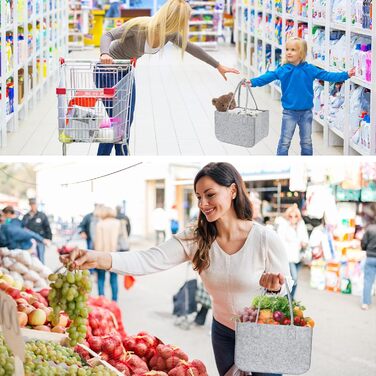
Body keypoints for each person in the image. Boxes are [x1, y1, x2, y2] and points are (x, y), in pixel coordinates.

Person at [61, 162, 292, 376]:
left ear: (232, 191)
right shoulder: (196, 237)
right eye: (199, 197)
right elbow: (148, 259)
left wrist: (275, 288)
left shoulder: (265, 239)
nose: (203, 204)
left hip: (265, 335)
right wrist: (97, 258)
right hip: (223, 334)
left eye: (210, 195)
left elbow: (288, 292)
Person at [97, 0, 239, 156]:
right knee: (117, 121)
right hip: (107, 71)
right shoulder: (140, 27)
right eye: (185, 19)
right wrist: (105, 54)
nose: (187, 23)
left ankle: (120, 156)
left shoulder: (169, 34)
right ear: (175, 19)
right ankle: (113, 157)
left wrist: (218, 65)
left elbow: (191, 48)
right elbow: (108, 34)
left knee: (125, 121)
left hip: (126, 73)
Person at [247, 36, 355, 155]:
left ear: (301, 53)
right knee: (284, 141)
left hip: (306, 112)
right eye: (287, 49)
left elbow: (327, 75)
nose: (289, 52)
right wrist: (253, 82)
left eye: (293, 50)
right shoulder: (283, 69)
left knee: (306, 142)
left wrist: (346, 75)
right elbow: (268, 76)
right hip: (289, 112)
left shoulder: (309, 69)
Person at [277, 204, 309, 299]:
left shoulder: (301, 225)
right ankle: (290, 299)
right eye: (291, 216)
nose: (293, 218)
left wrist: (304, 243)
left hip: (298, 257)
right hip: (288, 257)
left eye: (296, 216)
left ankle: (289, 299)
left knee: (292, 280)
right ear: (287, 216)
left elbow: (305, 239)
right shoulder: (284, 225)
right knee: (293, 278)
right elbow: (280, 239)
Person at [94, 206, 121, 302]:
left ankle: (102, 299)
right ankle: (114, 300)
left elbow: (98, 243)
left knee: (101, 278)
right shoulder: (118, 223)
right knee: (114, 279)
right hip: (116, 256)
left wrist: (96, 258)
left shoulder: (100, 224)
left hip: (103, 255)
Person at [22, 199, 52, 264]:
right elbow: (23, 228)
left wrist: (49, 238)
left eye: (34, 204)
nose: (33, 206)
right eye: (31, 204)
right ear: (30, 205)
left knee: (41, 258)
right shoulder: (26, 216)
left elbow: (47, 227)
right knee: (31, 259)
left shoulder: (42, 215)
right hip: (30, 241)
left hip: (40, 240)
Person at [361, 213, 376, 310]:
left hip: (370, 257)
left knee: (368, 281)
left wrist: (366, 249)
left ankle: (365, 303)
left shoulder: (370, 229)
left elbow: (363, 244)